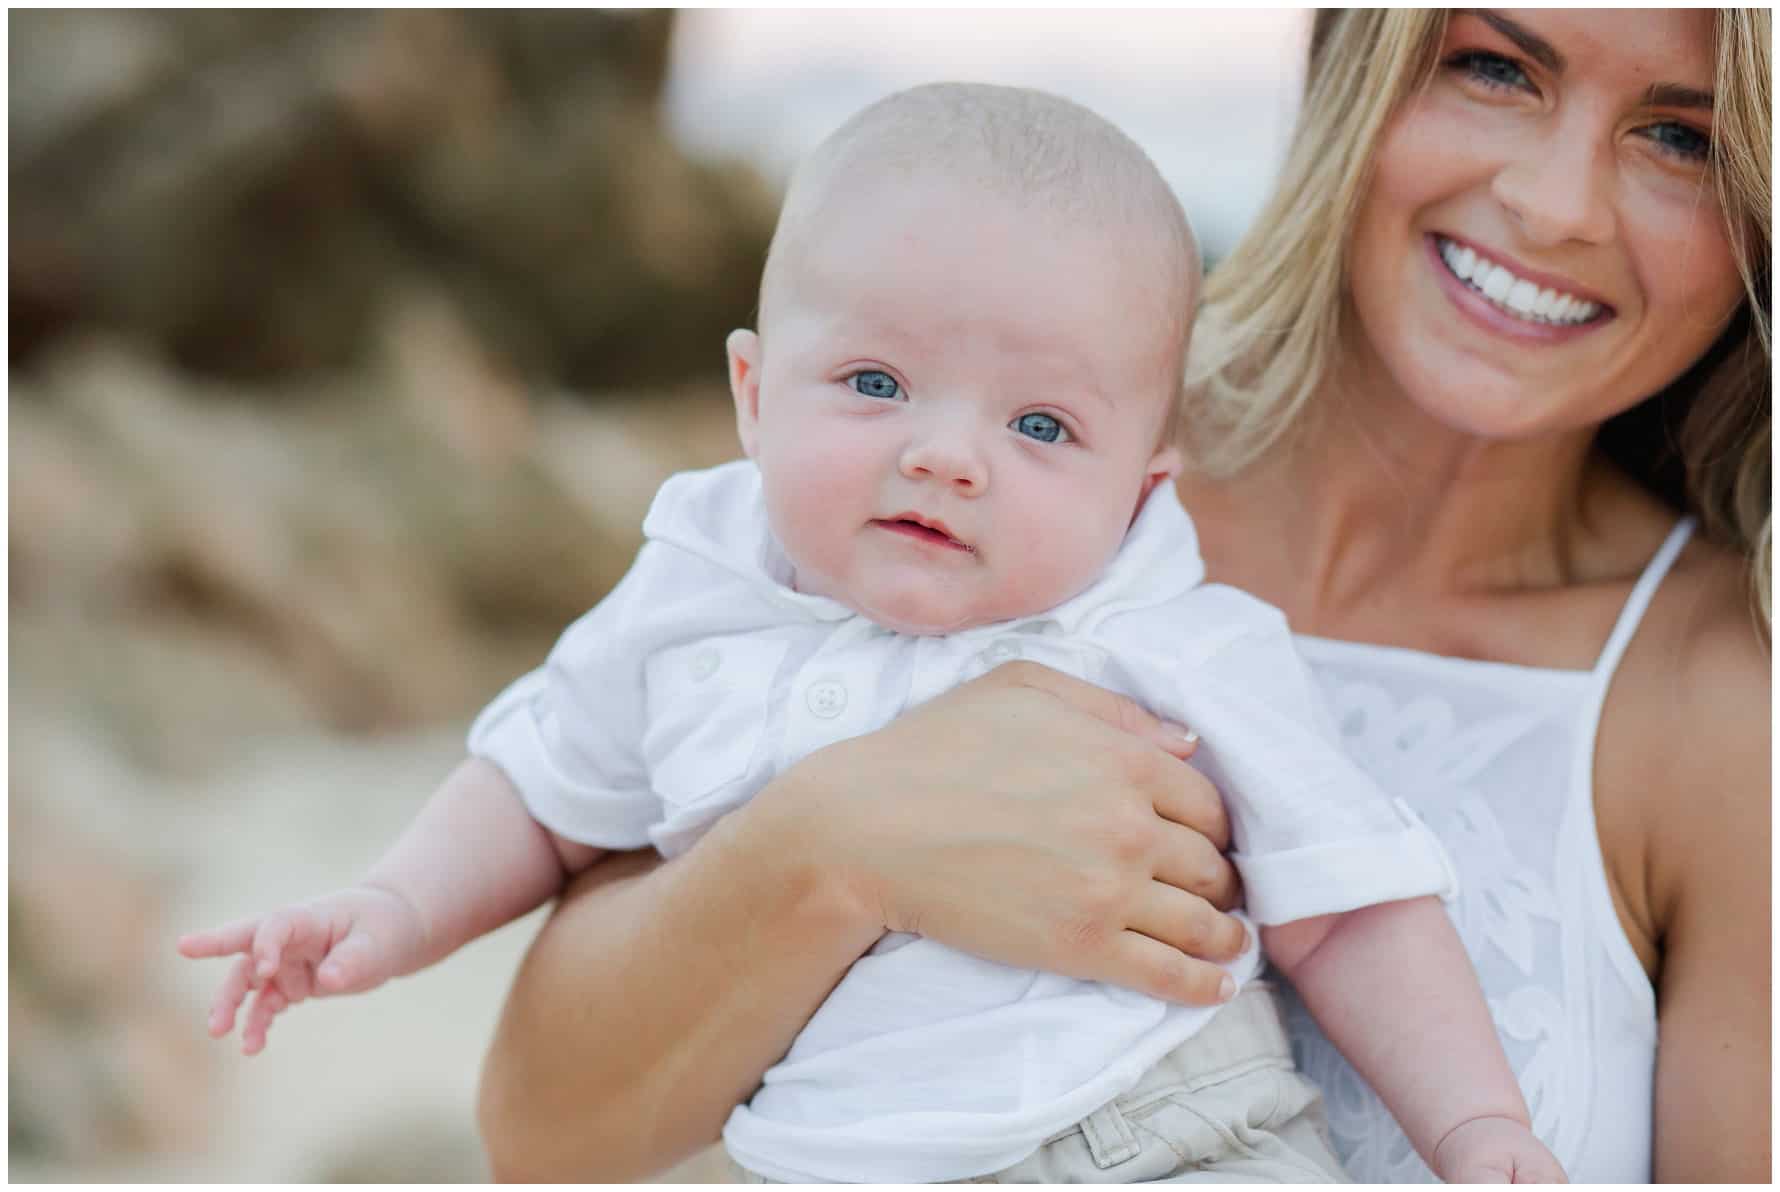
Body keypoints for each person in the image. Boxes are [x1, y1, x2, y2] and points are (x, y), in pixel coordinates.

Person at [177, 83, 1564, 1183]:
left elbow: (1353, 905)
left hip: (1163, 1141)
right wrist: (391, 910)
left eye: (1039, 426)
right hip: (822, 1159)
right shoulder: (694, 589)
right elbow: (537, 784)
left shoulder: (1172, 636)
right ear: (752, 392)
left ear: (1144, 485)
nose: (947, 456)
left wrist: (1472, 1129)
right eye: (878, 381)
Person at [473, 9, 1771, 1185]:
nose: (1555, 206)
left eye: (1678, 137)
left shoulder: (1725, 704)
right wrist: (843, 840)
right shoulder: (976, 477)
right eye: (1493, 67)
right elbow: (543, 1133)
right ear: (1349, 61)